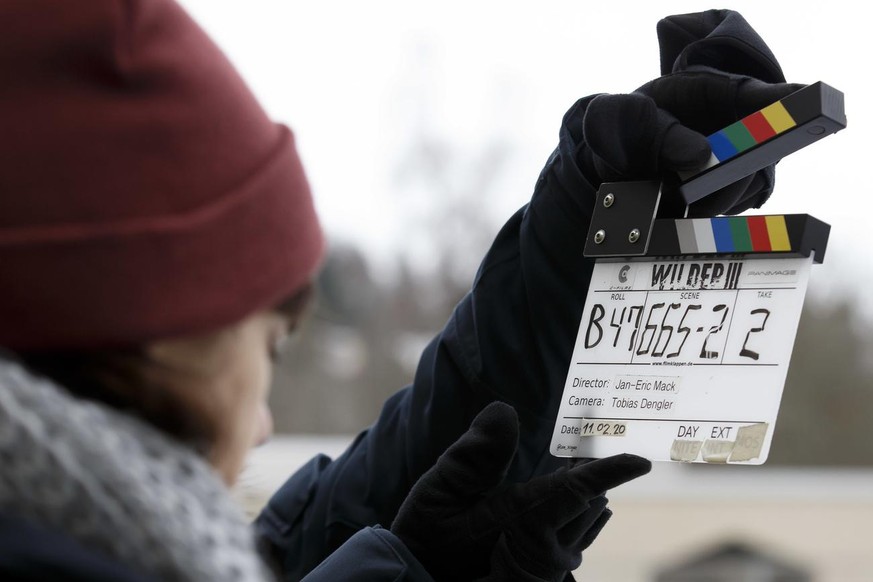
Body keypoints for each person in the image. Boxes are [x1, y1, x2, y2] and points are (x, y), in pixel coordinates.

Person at [0, 2, 797, 580]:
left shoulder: (158, 541)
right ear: (143, 351)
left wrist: (578, 236)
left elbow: (329, 530)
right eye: (268, 348)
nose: (265, 422)